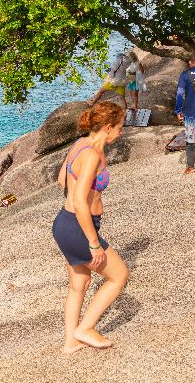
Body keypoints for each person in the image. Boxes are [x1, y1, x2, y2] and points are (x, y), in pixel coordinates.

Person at [53, 101, 130, 353]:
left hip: (64, 223)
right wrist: (94, 243)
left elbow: (61, 180)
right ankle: (85, 328)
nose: (121, 132)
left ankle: (70, 342)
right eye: (119, 127)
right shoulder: (91, 155)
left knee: (79, 284)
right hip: (78, 226)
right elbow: (79, 201)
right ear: (107, 127)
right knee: (119, 276)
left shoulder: (80, 145)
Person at [124, 51, 146, 119]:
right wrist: (129, 72)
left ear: (132, 57)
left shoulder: (138, 63)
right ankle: (133, 104)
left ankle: (135, 106)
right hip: (131, 80)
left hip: (136, 80)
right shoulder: (131, 63)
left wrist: (135, 73)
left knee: (135, 93)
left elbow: (142, 71)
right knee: (131, 92)